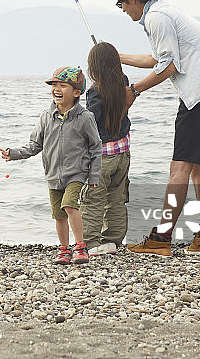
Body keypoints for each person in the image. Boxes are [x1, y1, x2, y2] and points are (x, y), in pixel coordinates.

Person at [109, 0, 200, 257]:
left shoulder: (156, 18)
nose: (121, 8)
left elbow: (169, 67)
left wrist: (134, 91)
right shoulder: (161, 13)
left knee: (179, 166)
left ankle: (162, 238)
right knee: (196, 166)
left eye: (121, 2)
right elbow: (157, 58)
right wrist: (115, 56)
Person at [0, 67, 102, 264]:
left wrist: (94, 176)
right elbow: (35, 145)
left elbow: (96, 148)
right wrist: (13, 154)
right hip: (53, 174)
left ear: (77, 93)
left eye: (62, 86)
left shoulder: (85, 117)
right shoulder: (46, 116)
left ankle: (80, 247)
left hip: (77, 173)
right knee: (58, 215)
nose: (56, 89)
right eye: (54, 85)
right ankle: (64, 250)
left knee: (70, 206)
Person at [82, 42, 132, 256]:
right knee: (117, 198)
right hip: (123, 152)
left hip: (102, 157)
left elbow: (91, 123)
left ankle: (90, 243)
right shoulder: (124, 81)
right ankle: (113, 240)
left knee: (93, 200)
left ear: (94, 67)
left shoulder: (95, 91)